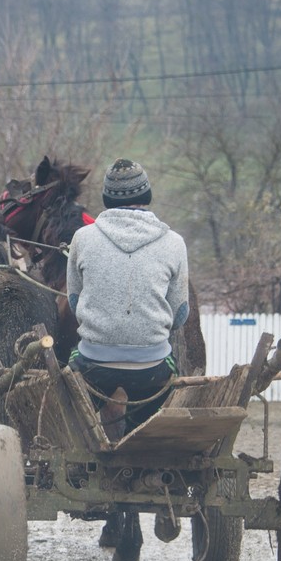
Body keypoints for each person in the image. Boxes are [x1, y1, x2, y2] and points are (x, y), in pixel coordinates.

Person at [65, 158, 190, 435]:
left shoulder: (82, 238)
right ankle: (140, 436)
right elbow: (180, 314)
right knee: (164, 383)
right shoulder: (174, 243)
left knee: (71, 375)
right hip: (153, 367)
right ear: (147, 195)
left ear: (107, 198)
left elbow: (74, 302)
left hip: (92, 365)